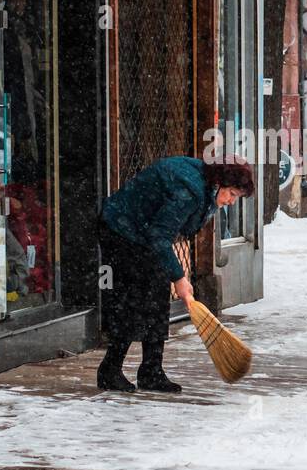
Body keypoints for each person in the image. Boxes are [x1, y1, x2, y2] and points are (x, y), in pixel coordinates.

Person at [97, 155, 255, 393]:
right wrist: (180, 278)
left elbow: (165, 231)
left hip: (142, 231)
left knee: (157, 296)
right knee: (134, 299)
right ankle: (110, 370)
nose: (232, 202)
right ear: (219, 183)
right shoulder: (189, 192)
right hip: (120, 229)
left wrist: (175, 275)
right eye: (232, 194)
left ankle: (151, 371)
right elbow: (159, 237)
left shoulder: (202, 180)